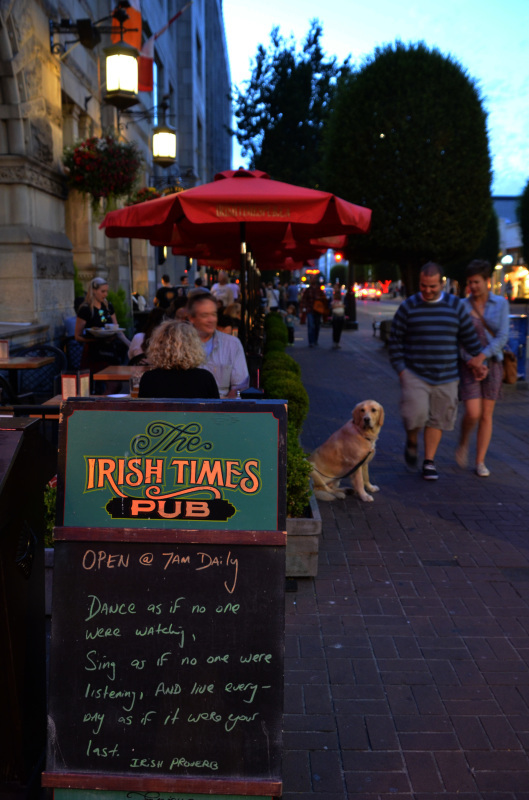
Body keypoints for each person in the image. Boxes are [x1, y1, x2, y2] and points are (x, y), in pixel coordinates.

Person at [388, 261, 483, 481]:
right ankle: (412, 440)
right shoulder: (409, 306)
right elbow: (395, 340)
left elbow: (468, 337)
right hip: (414, 373)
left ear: (442, 283)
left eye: (432, 286)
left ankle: (429, 461)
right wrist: (401, 371)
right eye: (423, 286)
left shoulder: (455, 305)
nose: (428, 290)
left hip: (447, 375)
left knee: (437, 419)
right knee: (414, 415)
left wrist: (480, 359)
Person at [456, 260, 510, 477]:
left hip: (493, 363)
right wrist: (472, 360)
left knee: (486, 414)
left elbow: (502, 336)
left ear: (487, 281)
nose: (473, 286)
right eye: (470, 282)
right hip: (468, 364)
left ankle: (480, 461)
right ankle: (463, 441)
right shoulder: (462, 305)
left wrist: (482, 358)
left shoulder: (501, 303)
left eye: (477, 282)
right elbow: (458, 339)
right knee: (472, 412)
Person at [187, 292, 249, 398]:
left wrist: (224, 403)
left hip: (222, 406)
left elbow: (240, 386)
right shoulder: (179, 345)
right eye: (205, 315)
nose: (211, 320)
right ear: (191, 318)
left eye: (213, 314)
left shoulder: (232, 344)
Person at [138, 320, 219, 399]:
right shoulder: (205, 378)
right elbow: (217, 407)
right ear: (194, 346)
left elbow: (142, 407)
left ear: (158, 347)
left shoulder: (149, 378)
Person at [74, 277, 130, 379]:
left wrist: (130, 345)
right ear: (94, 291)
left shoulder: (108, 306)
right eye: (103, 291)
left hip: (110, 350)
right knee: (96, 382)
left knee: (114, 381)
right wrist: (94, 339)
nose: (106, 294)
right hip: (93, 352)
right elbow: (77, 336)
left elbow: (116, 329)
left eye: (107, 291)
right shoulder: (85, 309)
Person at [301, 274, 326, 348]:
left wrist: (320, 299)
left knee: (317, 326)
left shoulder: (319, 290)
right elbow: (304, 299)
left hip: (317, 310)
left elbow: (324, 299)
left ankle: (315, 340)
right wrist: (303, 309)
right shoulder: (308, 290)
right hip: (310, 310)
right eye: (311, 278)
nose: (313, 280)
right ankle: (311, 341)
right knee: (311, 325)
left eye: (314, 278)